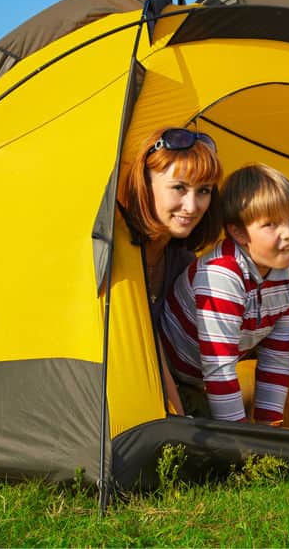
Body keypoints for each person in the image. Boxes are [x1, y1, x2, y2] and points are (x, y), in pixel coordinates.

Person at [160, 163, 289, 424]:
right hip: (171, 377)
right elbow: (220, 370)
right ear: (238, 232)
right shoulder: (222, 275)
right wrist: (239, 445)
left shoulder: (287, 271)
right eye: (271, 224)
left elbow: (277, 358)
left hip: (206, 375)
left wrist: (269, 430)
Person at [119, 126, 225, 416]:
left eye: (203, 191)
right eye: (179, 188)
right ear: (145, 182)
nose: (192, 206)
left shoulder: (182, 260)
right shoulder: (116, 252)